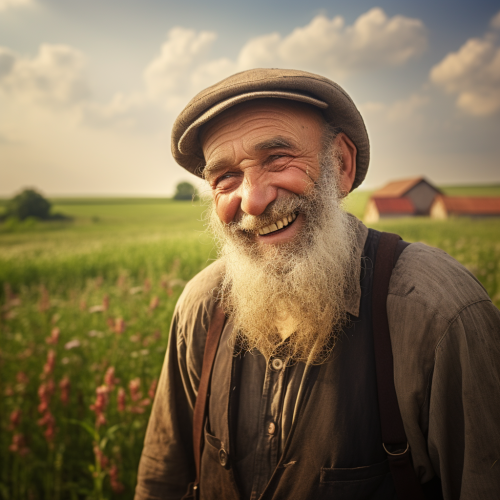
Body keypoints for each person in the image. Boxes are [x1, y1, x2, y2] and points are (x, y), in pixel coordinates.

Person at [134, 69, 500, 500]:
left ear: (341, 165)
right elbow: (163, 480)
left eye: (277, 159)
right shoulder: (201, 306)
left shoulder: (437, 312)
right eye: (225, 177)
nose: (253, 200)